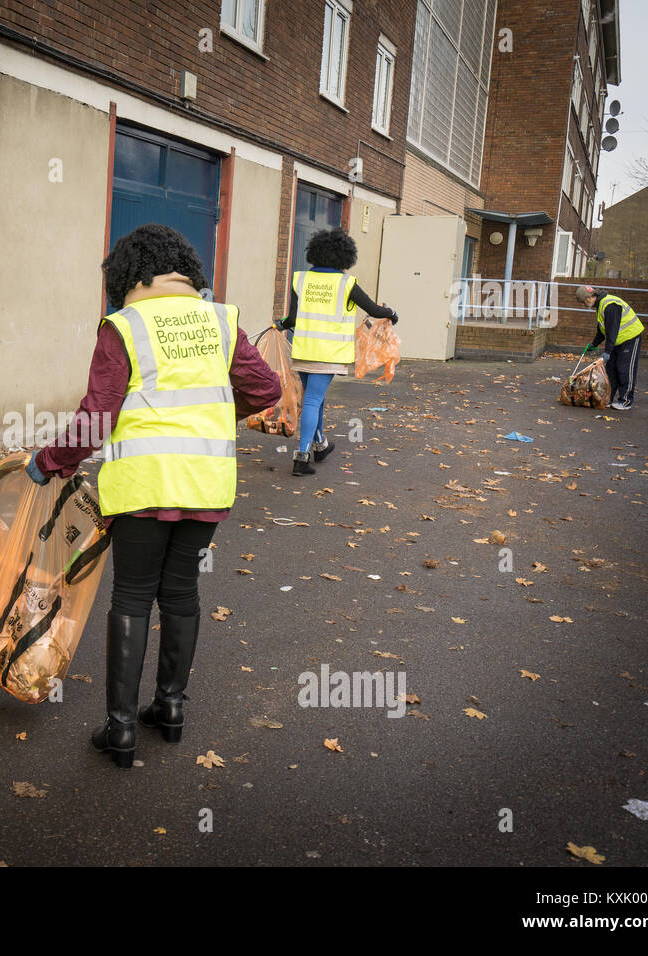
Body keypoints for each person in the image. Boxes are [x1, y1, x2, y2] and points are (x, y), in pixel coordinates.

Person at [26, 224, 280, 768]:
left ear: (128, 275)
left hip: (143, 485)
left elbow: (97, 416)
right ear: (183, 267)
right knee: (182, 591)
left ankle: (120, 730)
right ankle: (170, 709)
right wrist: (210, 419)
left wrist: (50, 461)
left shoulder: (124, 325)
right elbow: (266, 389)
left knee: (134, 596)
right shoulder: (221, 319)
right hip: (207, 482)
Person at [278, 227, 397, 476]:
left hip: (304, 350)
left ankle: (320, 446)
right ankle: (301, 457)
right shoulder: (346, 283)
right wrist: (391, 313)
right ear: (345, 257)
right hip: (329, 353)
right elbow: (374, 310)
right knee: (312, 400)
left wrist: (282, 324)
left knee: (315, 399)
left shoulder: (301, 279)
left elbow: (294, 318)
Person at [576, 284, 644, 410]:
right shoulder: (600, 306)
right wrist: (594, 344)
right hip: (618, 341)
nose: (584, 304)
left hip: (630, 337)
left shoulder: (610, 305)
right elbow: (602, 330)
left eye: (584, 301)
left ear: (591, 297)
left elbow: (612, 331)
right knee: (611, 370)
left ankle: (625, 401)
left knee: (625, 369)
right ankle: (608, 398)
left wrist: (607, 351)